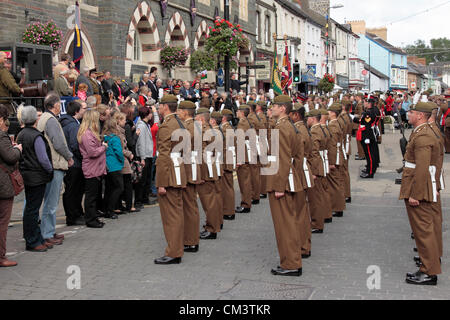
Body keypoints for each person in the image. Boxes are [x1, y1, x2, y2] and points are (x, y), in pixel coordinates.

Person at [401, 102, 442, 285]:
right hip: (422, 185)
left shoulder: (424, 135)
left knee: (423, 231)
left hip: (420, 188)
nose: (408, 114)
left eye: (411, 112)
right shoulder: (422, 131)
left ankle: (428, 271)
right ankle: (429, 266)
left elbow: (422, 167)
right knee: (426, 230)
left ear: (420, 115)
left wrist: (416, 194)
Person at [266, 95, 303, 277]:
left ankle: (291, 263)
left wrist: (279, 186)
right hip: (288, 179)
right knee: (288, 224)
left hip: (282, 182)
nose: (271, 108)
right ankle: (291, 261)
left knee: (285, 225)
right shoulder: (289, 126)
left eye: (274, 106)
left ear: (282, 109)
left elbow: (282, 158)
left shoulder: (281, 128)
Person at [37, 93, 74, 245]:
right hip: (55, 164)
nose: (61, 106)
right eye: (59, 103)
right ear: (55, 105)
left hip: (49, 163)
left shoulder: (44, 118)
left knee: (49, 202)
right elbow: (58, 143)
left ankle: (49, 230)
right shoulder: (51, 120)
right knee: (51, 202)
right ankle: (47, 233)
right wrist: (69, 156)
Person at [154, 94, 187, 265]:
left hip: (170, 174)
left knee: (171, 216)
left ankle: (173, 252)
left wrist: (161, 182)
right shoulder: (180, 123)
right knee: (177, 214)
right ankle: (177, 248)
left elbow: (164, 155)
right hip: (179, 171)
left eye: (160, 106)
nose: (159, 109)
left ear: (166, 107)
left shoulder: (167, 126)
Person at [16, 105, 53, 252]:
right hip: (37, 175)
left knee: (31, 208)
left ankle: (36, 238)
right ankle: (32, 240)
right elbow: (43, 159)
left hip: (27, 174)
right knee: (33, 209)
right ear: (35, 119)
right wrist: (50, 169)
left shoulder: (21, 134)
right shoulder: (36, 136)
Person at [177, 100, 202, 252]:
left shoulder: (189, 127)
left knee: (189, 206)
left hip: (189, 167)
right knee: (190, 205)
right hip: (191, 166)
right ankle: (190, 238)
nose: (178, 113)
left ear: (185, 112)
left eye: (180, 111)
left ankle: (191, 240)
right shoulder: (194, 126)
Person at [195, 108, 222, 240]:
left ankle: (212, 228)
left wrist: (200, 174)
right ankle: (212, 225)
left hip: (206, 170)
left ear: (200, 119)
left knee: (208, 202)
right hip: (212, 167)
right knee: (212, 200)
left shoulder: (203, 131)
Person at [0, 104, 22, 266]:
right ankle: (1, 256)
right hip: (3, 184)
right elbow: (10, 157)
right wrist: (18, 150)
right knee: (2, 222)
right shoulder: (1, 136)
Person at [78, 109, 107, 228]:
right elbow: (92, 152)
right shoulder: (86, 134)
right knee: (91, 196)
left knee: (94, 195)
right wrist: (103, 147)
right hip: (91, 167)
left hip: (95, 167)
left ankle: (94, 217)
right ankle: (90, 219)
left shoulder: (89, 133)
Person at [60, 101, 86, 226]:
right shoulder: (73, 126)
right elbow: (75, 145)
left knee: (73, 190)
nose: (84, 110)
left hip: (72, 162)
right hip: (74, 163)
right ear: (76, 111)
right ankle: (73, 216)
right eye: (82, 108)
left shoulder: (69, 123)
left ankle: (76, 213)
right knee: (73, 190)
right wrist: (83, 157)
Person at [306, 108, 331, 233]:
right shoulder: (321, 128)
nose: (307, 120)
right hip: (323, 163)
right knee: (320, 194)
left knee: (315, 198)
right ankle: (322, 218)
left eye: (308, 118)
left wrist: (314, 171)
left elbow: (314, 152)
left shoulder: (315, 131)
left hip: (317, 166)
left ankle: (317, 223)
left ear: (313, 118)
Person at [327, 103, 346, 217]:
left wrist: (332, 161)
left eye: (329, 112)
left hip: (336, 156)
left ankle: (337, 207)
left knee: (335, 182)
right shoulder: (335, 123)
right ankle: (338, 205)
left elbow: (333, 144)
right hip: (338, 154)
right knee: (336, 181)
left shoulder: (333, 125)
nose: (327, 114)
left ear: (333, 113)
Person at [102, 119, 124, 219]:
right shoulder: (115, 138)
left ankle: (106, 209)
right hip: (115, 164)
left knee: (109, 188)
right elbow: (119, 152)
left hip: (106, 165)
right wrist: (121, 161)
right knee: (119, 187)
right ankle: (111, 209)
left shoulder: (104, 138)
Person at [135, 106, 154, 208]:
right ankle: (139, 200)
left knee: (147, 179)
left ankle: (145, 198)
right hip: (144, 155)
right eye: (150, 113)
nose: (151, 114)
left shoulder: (146, 125)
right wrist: (142, 157)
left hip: (148, 154)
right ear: (147, 114)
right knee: (142, 180)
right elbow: (141, 143)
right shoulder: (141, 126)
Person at [357, 98, 380, 179]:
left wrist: (367, 138)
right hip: (370, 134)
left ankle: (370, 172)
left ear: (369, 103)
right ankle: (369, 169)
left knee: (369, 154)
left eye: (365, 102)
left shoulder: (369, 113)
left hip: (368, 135)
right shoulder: (372, 111)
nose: (364, 103)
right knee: (370, 154)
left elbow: (367, 125)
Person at [220, 109, 236, 221]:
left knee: (227, 187)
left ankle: (229, 211)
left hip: (226, 160)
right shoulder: (227, 128)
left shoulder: (226, 129)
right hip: (228, 158)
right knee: (227, 187)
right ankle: (228, 210)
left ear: (224, 118)